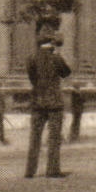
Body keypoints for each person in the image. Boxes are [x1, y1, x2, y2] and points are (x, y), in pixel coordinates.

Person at [26, 34, 72, 178]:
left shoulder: (31, 58)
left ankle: (30, 171)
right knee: (54, 137)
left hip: (37, 101)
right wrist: (58, 54)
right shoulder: (56, 58)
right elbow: (66, 73)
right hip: (54, 103)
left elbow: (32, 78)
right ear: (51, 43)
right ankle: (52, 170)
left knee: (35, 137)